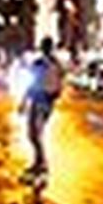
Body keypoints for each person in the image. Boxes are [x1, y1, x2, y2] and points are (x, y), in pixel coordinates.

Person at [20, 37, 64, 180]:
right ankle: (39, 162)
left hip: (41, 101)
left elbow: (33, 84)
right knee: (35, 134)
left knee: (34, 133)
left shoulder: (42, 63)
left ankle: (41, 163)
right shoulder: (55, 64)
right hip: (44, 101)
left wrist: (24, 101)